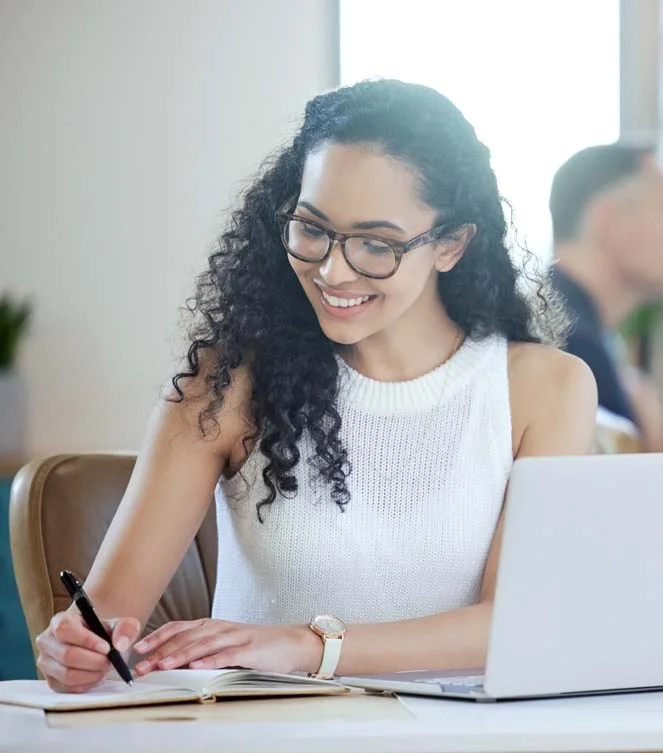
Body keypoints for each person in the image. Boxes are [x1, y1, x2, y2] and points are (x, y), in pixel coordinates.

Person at [34, 79, 597, 693]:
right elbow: (101, 622)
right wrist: (73, 651)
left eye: (376, 244)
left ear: (451, 244)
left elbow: (518, 624)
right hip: (266, 748)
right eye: (312, 228)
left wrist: (306, 645)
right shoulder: (224, 389)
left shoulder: (544, 388)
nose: (332, 269)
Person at [548, 143, 663, 451]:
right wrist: (652, 438)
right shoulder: (570, 346)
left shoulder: (563, 319)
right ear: (610, 219)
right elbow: (627, 496)